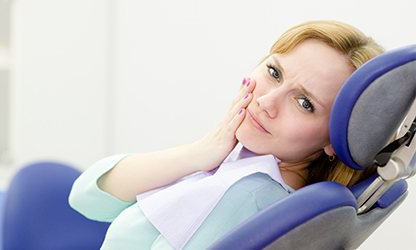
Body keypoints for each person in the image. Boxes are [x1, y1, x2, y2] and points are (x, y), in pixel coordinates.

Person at [69, 20, 384, 249]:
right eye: (274, 72)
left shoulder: (251, 195)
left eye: (304, 104)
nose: (265, 102)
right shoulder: (251, 159)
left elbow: (88, 204)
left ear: (334, 139)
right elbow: (88, 198)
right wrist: (201, 152)